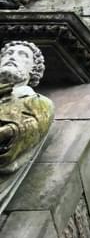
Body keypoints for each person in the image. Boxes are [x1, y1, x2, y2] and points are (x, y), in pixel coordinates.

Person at [0, 40, 53, 175]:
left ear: (33, 69)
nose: (12, 57)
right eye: (8, 53)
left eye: (22, 55)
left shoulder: (36, 101)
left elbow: (29, 130)